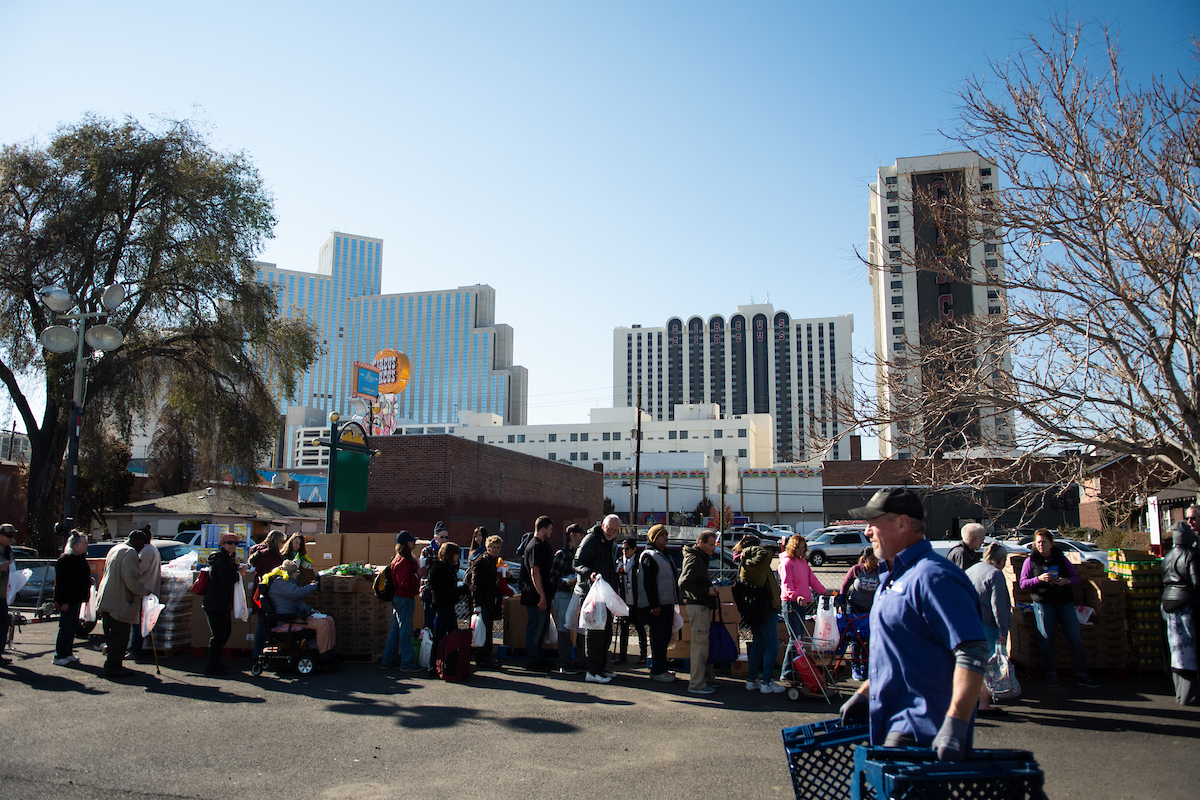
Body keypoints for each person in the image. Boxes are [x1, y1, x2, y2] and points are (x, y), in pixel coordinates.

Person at [838, 488, 988, 760]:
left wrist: (956, 723)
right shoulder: (891, 578)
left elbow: (972, 651)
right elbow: (899, 655)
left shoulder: (934, 577)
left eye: (873, 522)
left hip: (922, 734)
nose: (867, 532)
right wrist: (865, 692)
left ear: (903, 523)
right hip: (889, 723)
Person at [1019, 528, 1099, 689]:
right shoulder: (1031, 561)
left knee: (1075, 639)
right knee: (1047, 640)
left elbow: (1076, 578)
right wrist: (1038, 579)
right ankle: (1051, 675)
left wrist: (1065, 581)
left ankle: (1082, 675)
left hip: (1065, 603)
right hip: (1043, 603)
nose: (1040, 545)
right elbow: (1023, 583)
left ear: (1051, 543)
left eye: (1044, 542)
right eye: (1038, 542)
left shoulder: (1061, 559)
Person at [778, 534, 834, 685]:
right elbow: (786, 584)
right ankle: (787, 671)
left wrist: (824, 591)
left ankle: (794, 670)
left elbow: (812, 580)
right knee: (795, 639)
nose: (802, 551)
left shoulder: (802, 563)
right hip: (791, 604)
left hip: (802, 604)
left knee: (799, 638)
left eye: (804, 548)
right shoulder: (786, 563)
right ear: (792, 548)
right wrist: (796, 597)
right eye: (799, 548)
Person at [96, 529, 152, 679]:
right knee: (120, 637)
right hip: (119, 601)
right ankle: (114, 667)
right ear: (136, 541)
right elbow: (131, 579)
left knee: (111, 635)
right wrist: (145, 591)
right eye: (142, 544)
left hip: (106, 598)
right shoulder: (130, 553)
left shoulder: (115, 549)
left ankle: (111, 664)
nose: (142, 548)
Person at [966, 542, 1012, 714]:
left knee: (973, 662)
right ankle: (986, 701)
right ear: (1000, 560)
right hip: (988, 625)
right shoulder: (995, 575)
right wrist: (1003, 631)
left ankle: (974, 698)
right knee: (990, 666)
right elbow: (998, 606)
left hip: (970, 622)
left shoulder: (971, 570)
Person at [737, 535, 787, 694]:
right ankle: (767, 682)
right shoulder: (754, 563)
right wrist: (749, 548)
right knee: (772, 645)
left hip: (756, 608)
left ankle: (752, 680)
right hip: (765, 608)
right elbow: (766, 554)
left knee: (758, 643)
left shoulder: (748, 564)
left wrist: (746, 549)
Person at [574, 514, 621, 683]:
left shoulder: (611, 542)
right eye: (609, 529)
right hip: (592, 594)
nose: (611, 532)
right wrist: (590, 573)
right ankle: (592, 671)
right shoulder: (591, 539)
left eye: (615, 530)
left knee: (606, 632)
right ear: (602, 526)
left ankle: (600, 669)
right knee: (595, 634)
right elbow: (577, 562)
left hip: (606, 593)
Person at [1161, 513, 1199, 706]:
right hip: (1185, 604)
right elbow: (1196, 582)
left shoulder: (1167, 556)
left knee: (1176, 650)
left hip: (1168, 604)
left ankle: (1179, 693)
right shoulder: (1191, 555)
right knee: (1189, 649)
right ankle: (1190, 695)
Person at [263, 560, 336, 657]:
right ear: (291, 573)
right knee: (323, 624)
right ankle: (323, 654)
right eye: (296, 572)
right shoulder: (281, 582)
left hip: (293, 616)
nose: (297, 574)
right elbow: (298, 594)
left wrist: (311, 610)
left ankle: (329, 649)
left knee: (329, 620)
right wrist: (314, 586)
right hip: (287, 619)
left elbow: (297, 602)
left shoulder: (286, 582)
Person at [678, 529, 721, 695]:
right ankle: (696, 684)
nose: (713, 548)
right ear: (701, 543)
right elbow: (684, 582)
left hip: (700, 604)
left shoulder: (698, 557)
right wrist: (706, 591)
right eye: (711, 545)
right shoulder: (695, 558)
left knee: (703, 645)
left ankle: (706, 679)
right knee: (700, 646)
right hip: (698, 605)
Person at [636, 524, 678, 682]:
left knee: (665, 637)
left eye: (666, 535)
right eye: (662, 536)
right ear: (654, 538)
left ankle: (662, 668)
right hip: (657, 606)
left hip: (667, 603)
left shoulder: (663, 554)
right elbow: (649, 582)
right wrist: (654, 605)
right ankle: (658, 671)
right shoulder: (649, 556)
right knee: (658, 638)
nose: (666, 538)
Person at [202, 531, 247, 676]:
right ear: (222, 544)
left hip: (221, 602)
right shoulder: (220, 559)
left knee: (224, 633)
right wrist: (239, 573)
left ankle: (215, 663)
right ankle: (211, 666)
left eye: (235, 543)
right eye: (229, 543)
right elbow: (225, 579)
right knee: (219, 634)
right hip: (215, 602)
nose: (233, 545)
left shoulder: (227, 558)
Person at [380, 531, 422, 672]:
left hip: (399, 598)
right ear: (405, 543)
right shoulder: (404, 561)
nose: (414, 543)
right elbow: (404, 583)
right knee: (405, 632)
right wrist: (418, 575)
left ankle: (387, 661)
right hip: (404, 598)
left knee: (396, 631)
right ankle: (407, 663)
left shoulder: (399, 559)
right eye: (411, 541)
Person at [839, 547, 881, 680]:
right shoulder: (856, 570)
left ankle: (866, 667)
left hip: (871, 610)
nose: (876, 561)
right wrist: (842, 602)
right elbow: (844, 587)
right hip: (855, 608)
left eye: (877, 558)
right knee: (856, 639)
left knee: (868, 639)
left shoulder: (879, 571)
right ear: (865, 559)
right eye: (873, 559)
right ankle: (855, 668)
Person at [426, 541, 467, 676]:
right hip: (444, 606)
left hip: (445, 605)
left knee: (449, 634)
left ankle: (446, 662)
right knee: (442, 635)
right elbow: (447, 591)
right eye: (456, 554)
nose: (457, 557)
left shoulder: (441, 568)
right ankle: (436, 664)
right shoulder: (442, 570)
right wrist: (464, 589)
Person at [53, 530, 92, 666]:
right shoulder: (66, 559)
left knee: (72, 626)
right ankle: (59, 655)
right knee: (65, 626)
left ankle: (67, 652)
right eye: (85, 543)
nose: (87, 545)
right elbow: (62, 583)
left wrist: (88, 581)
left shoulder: (79, 558)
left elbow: (78, 578)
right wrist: (63, 601)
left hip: (76, 598)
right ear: (76, 545)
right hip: (68, 599)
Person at [550, 523, 585, 675]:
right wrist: (565, 582)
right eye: (579, 534)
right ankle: (565, 663)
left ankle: (579, 661)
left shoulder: (581, 553)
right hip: (564, 594)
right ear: (572, 535)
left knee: (581, 628)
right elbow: (552, 576)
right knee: (564, 629)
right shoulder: (561, 554)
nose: (582, 537)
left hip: (577, 594)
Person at [522, 515, 554, 671]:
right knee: (535, 629)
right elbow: (535, 572)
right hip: (535, 597)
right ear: (543, 528)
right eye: (550, 529)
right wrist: (541, 595)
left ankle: (538, 658)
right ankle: (533, 660)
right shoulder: (535, 546)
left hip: (542, 595)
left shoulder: (542, 545)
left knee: (541, 629)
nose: (551, 532)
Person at [249, 529, 287, 660]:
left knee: (264, 623)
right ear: (276, 541)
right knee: (264, 624)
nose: (283, 544)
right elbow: (277, 573)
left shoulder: (261, 552)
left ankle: (259, 653)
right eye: (282, 541)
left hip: (261, 592)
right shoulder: (269, 556)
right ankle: (257, 654)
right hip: (265, 593)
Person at [469, 534, 504, 669]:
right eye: (493, 547)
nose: (495, 550)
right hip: (482, 601)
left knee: (488, 630)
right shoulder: (482, 562)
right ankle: (482, 659)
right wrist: (476, 604)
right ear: (487, 548)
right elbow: (475, 584)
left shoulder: (495, 562)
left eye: (497, 547)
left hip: (491, 601)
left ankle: (486, 658)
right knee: (482, 631)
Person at [127, 530, 160, 661]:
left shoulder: (146, 551)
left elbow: (139, 570)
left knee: (138, 623)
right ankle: (134, 648)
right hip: (148, 589)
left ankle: (135, 650)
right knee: (140, 623)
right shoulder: (153, 549)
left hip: (144, 590)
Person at [614, 538, 648, 665]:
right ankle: (622, 656)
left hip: (637, 602)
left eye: (627, 548)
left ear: (634, 549)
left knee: (640, 628)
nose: (624, 551)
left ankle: (643, 655)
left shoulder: (639, 562)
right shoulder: (619, 562)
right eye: (622, 549)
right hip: (624, 602)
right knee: (623, 630)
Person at [418, 522, 450, 627]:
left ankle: (440, 642)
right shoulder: (427, 551)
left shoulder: (449, 551)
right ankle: (427, 640)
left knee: (443, 621)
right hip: (429, 591)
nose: (444, 539)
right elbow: (424, 573)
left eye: (446, 537)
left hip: (443, 591)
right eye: (442, 537)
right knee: (429, 620)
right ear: (435, 538)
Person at [0, 523, 15, 664]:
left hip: (3, 595)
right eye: (8, 536)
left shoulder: (9, 550)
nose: (11, 538)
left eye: (13, 535)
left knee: (3, 624)